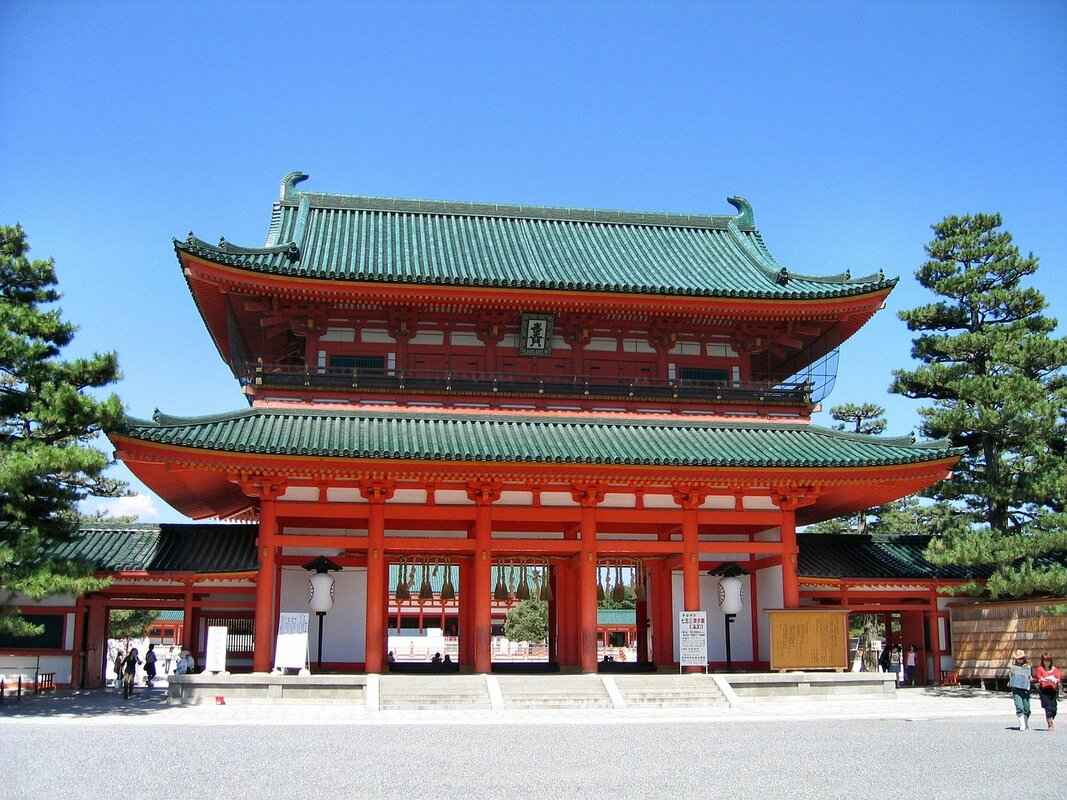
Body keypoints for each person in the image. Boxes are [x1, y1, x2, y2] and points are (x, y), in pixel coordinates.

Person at [1008, 649, 1033, 731]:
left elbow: (1031, 676)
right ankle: (1022, 724)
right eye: (1018, 658)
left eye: (1021, 658)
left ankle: (1025, 723)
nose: (1020, 660)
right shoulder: (1013, 667)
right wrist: (1010, 681)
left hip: (1025, 689)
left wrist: (1031, 678)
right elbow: (1011, 676)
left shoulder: (1028, 667)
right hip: (1016, 689)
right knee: (1019, 706)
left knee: (1027, 708)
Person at [1035, 652, 1061, 732]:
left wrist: (1055, 680)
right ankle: (1050, 724)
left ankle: (1051, 718)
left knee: (1054, 709)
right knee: (1048, 707)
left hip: (1053, 691)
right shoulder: (1040, 669)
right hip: (1044, 691)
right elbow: (1039, 677)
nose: (1047, 662)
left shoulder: (1055, 669)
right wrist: (1043, 679)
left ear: (1051, 660)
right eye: (1045, 660)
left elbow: (1058, 679)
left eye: (1048, 660)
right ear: (1042, 661)